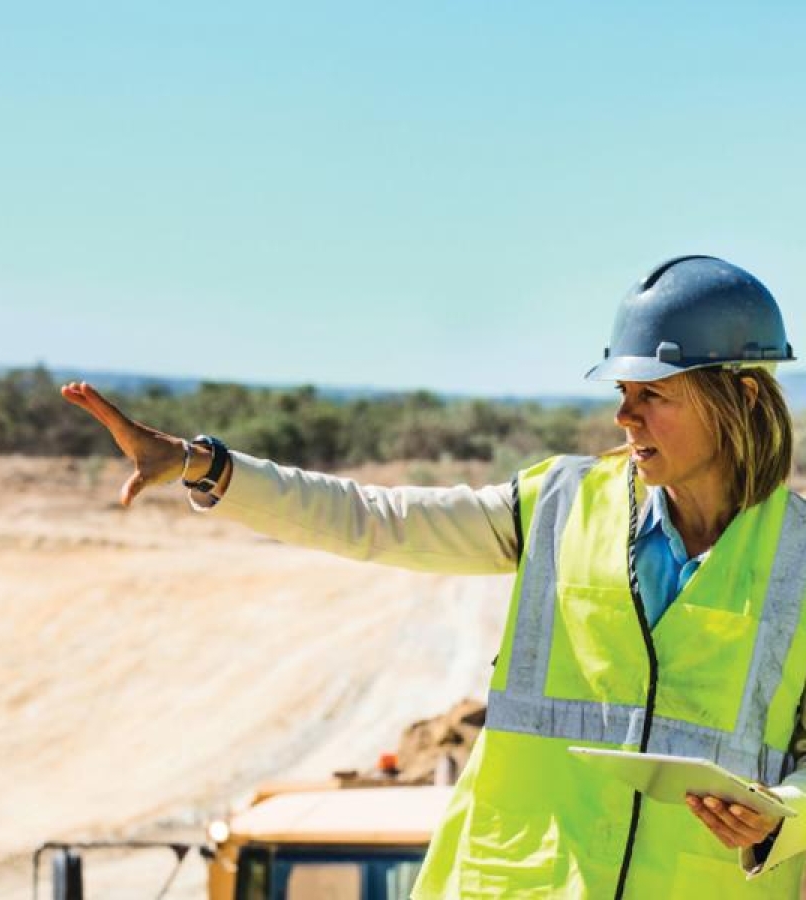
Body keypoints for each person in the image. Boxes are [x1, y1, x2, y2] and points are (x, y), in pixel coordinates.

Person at [60, 254, 806, 898]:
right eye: (621, 393)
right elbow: (375, 519)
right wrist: (210, 467)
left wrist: (784, 816)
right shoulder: (559, 506)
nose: (625, 418)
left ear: (738, 397)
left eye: (654, 395)